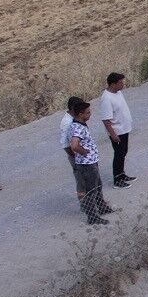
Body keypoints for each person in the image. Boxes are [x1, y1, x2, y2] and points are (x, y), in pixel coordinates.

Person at [63, 97, 112, 226]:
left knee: (97, 186)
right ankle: (92, 217)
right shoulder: (77, 128)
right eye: (87, 112)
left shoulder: (79, 125)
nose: (90, 114)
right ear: (80, 114)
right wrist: (84, 152)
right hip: (86, 164)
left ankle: (101, 208)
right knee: (91, 190)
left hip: (90, 162)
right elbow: (74, 145)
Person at [99, 72, 136, 188]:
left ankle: (122, 174)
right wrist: (113, 134)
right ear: (113, 84)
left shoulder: (118, 93)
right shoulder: (106, 98)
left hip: (124, 129)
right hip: (117, 132)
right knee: (119, 154)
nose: (123, 84)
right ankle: (117, 180)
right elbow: (106, 120)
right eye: (120, 82)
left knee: (123, 152)